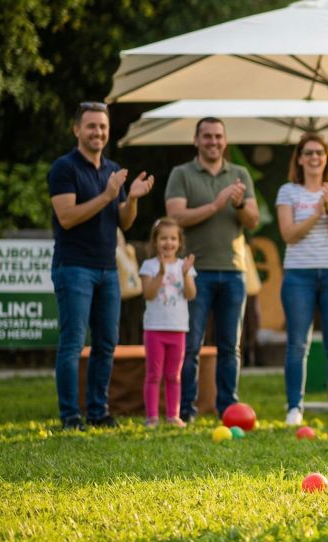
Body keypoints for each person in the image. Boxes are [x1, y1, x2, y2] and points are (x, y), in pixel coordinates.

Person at [48, 101, 155, 430]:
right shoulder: (64, 169)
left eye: (103, 127)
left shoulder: (113, 169)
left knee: (107, 342)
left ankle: (98, 412)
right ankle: (70, 416)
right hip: (74, 267)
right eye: (92, 126)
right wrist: (109, 195)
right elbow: (67, 218)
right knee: (73, 342)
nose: (98, 132)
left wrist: (131, 197)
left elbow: (124, 221)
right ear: (77, 129)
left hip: (108, 269)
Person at [165, 117, 258, 421]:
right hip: (195, 272)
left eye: (218, 136)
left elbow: (253, 221)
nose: (213, 142)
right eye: (207, 136)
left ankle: (228, 408)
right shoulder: (181, 174)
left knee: (230, 346)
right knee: (191, 345)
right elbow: (176, 217)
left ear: (225, 141)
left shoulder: (239, 174)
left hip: (233, 271)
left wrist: (240, 204)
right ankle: (186, 409)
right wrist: (217, 205)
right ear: (196, 140)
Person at [275, 133, 328, 426]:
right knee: (298, 344)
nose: (314, 158)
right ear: (299, 158)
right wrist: (317, 212)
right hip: (299, 274)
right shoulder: (288, 191)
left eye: (319, 153)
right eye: (308, 153)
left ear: (327, 157)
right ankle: (295, 407)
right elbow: (289, 235)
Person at [140, 218, 197, 428]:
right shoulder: (149, 266)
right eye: (163, 238)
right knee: (154, 374)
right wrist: (162, 273)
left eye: (173, 238)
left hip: (178, 328)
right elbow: (148, 293)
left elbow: (191, 294)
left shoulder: (185, 266)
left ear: (179, 242)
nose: (168, 243)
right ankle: (152, 417)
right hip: (155, 329)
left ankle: (173, 415)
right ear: (155, 241)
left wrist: (185, 274)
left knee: (174, 375)